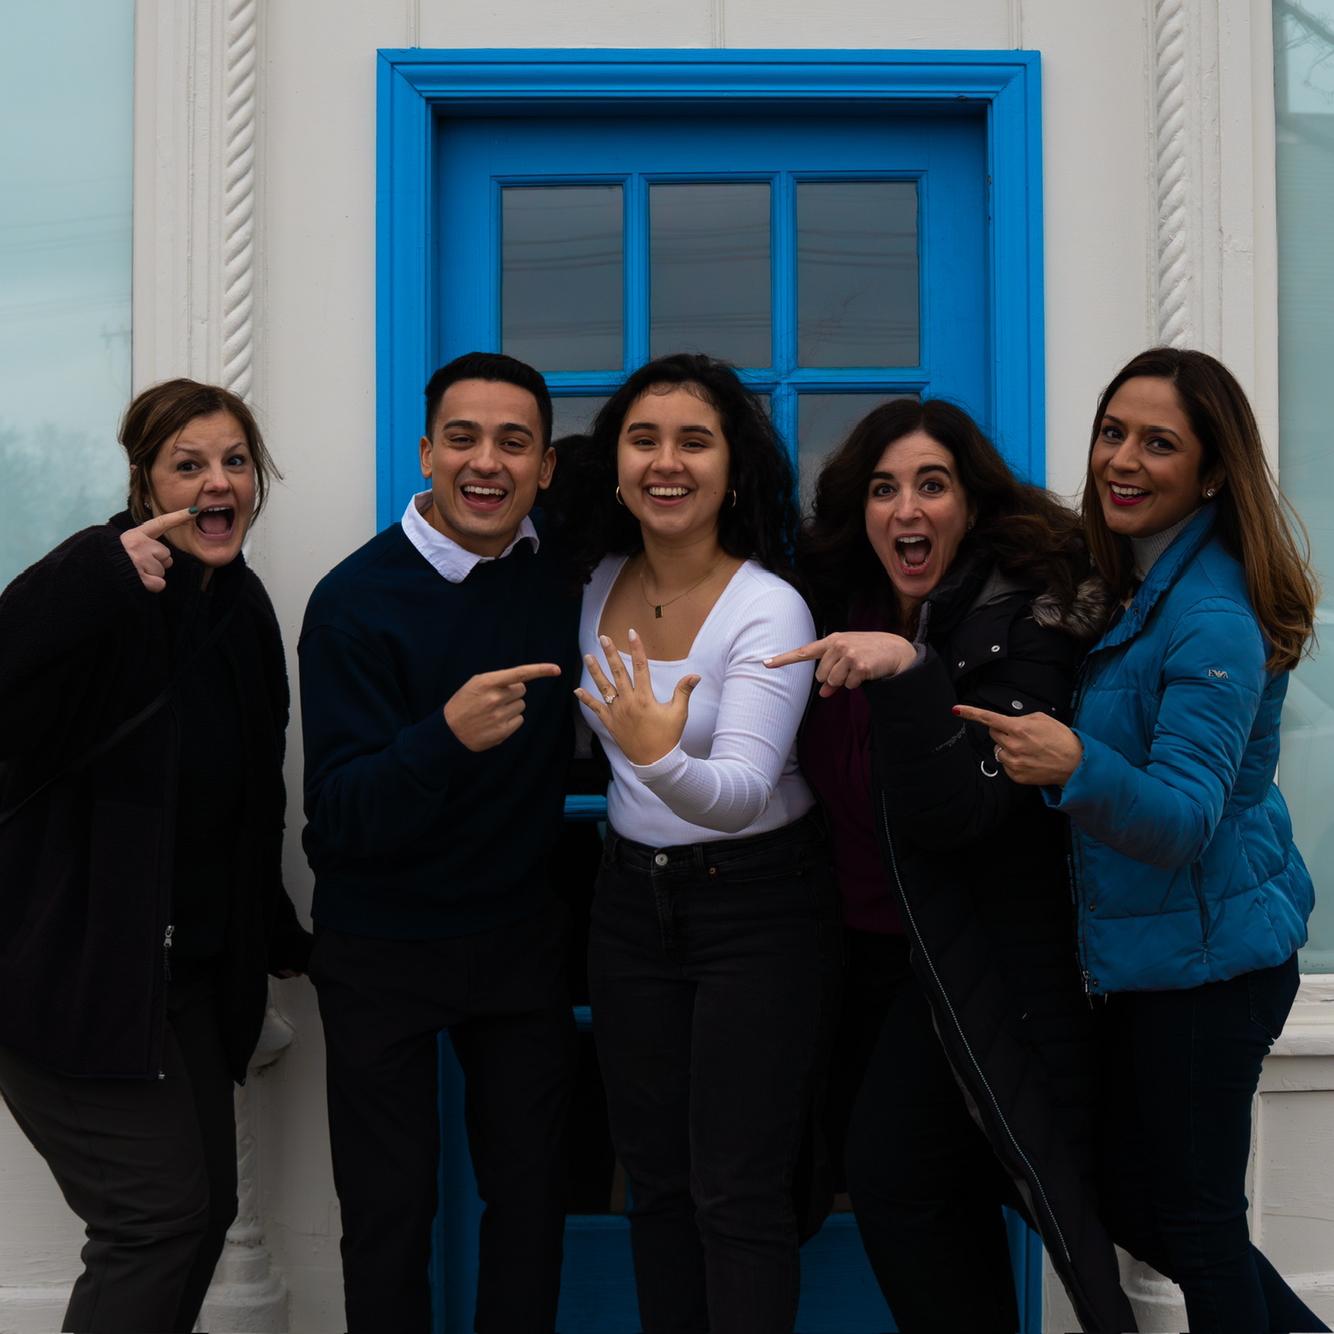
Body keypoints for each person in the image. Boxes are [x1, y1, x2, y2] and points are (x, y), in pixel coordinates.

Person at [956, 348, 1328, 1334]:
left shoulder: (1209, 614)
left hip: (1210, 968)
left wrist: (1073, 761)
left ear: (1210, 473)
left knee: (1197, 1227)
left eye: (1158, 443)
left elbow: (1182, 820)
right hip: (1152, 961)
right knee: (1129, 1197)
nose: (1122, 459)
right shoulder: (1131, 578)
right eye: (1112, 432)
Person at [767, 398, 1132, 1333]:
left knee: (902, 1179)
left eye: (932, 485)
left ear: (971, 502)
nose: (906, 510)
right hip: (856, 956)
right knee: (934, 1187)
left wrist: (908, 674)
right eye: (883, 489)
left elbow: (960, 812)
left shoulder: (1022, 619)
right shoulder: (835, 600)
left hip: (971, 958)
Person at [0, 379, 311, 1334]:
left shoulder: (244, 608)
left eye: (235, 462)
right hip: (71, 972)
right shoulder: (102, 589)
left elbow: (250, 794)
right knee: (152, 1220)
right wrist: (96, 565)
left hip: (186, 980)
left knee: (202, 1212)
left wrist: (279, 937)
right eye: (189, 465)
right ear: (143, 484)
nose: (219, 483)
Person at [299, 351, 580, 1334]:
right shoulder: (352, 601)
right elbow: (335, 818)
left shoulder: (564, 569)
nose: (486, 462)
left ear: (547, 466)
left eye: (514, 442)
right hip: (381, 948)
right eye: (462, 438)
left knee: (533, 1203)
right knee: (388, 1215)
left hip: (518, 937)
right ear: (426, 452)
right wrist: (442, 739)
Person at [561, 353, 839, 1334]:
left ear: (733, 466)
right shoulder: (596, 580)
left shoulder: (768, 606)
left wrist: (657, 755)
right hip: (629, 906)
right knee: (658, 1183)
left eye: (694, 441)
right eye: (643, 439)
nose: (665, 462)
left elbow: (741, 791)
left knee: (737, 1190)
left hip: (756, 905)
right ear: (616, 462)